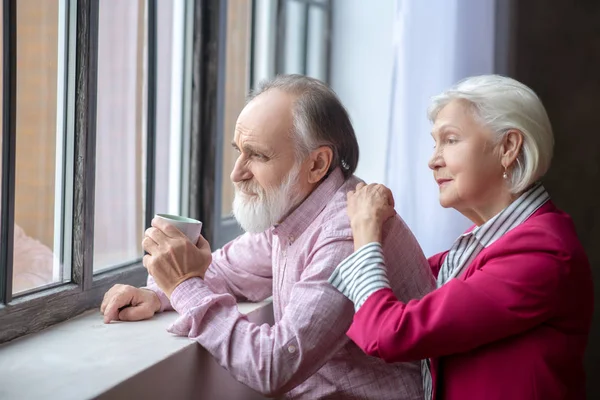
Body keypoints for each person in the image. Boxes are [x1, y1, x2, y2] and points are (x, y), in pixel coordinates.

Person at [101, 75, 435, 399]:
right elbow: (228, 270)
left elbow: (273, 366)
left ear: (317, 164)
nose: (236, 172)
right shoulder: (297, 210)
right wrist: (158, 293)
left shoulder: (346, 233)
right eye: (239, 151)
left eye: (258, 155)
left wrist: (185, 287)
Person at [329, 75, 594, 400]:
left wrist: (366, 229)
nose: (433, 160)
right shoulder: (486, 242)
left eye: (451, 140)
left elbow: (390, 334)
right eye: (435, 143)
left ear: (508, 147)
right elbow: (391, 292)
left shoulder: (543, 254)